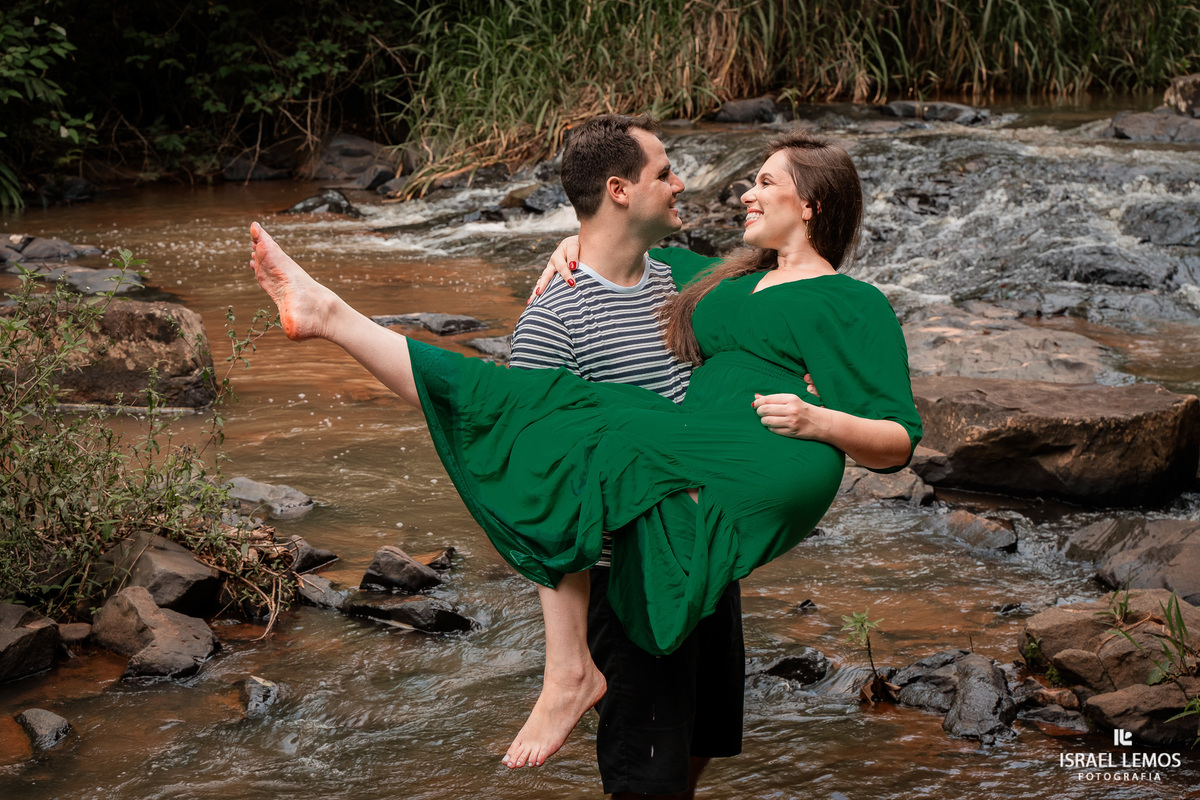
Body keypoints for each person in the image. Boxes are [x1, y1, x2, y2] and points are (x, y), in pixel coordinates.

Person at [247, 129, 921, 788]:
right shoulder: (708, 281)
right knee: (545, 411)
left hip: (737, 471)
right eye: (668, 173)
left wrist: (820, 419)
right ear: (620, 191)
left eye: (765, 181)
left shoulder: (820, 297)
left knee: (571, 422)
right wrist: (576, 243)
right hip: (665, 497)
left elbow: (898, 436)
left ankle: (334, 317)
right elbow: (609, 266)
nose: (741, 192)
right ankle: (332, 316)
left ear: (811, 205)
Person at [504, 114, 747, 797]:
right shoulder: (552, 322)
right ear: (619, 190)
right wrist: (567, 652)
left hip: (708, 559)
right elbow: (546, 495)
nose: (679, 184)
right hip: (629, 585)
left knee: (701, 746)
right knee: (646, 780)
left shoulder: (680, 285)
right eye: (664, 173)